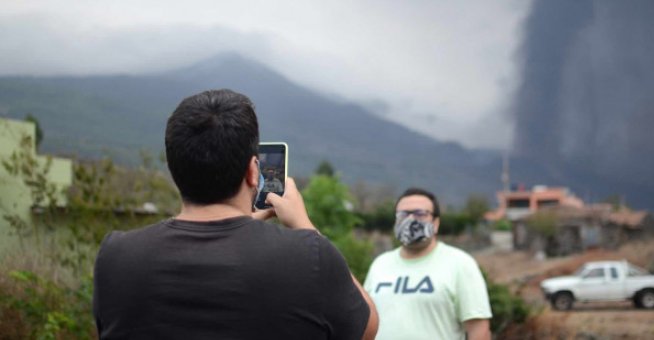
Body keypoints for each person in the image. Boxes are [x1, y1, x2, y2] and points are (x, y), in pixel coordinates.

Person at [93, 89, 378, 339]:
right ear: (254, 172)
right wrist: (303, 225)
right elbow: (367, 328)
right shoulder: (309, 256)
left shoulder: (116, 256)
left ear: (173, 167)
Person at [364, 188, 491, 340]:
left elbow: (478, 329)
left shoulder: (460, 263)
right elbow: (365, 321)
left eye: (420, 214)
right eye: (403, 214)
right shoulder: (380, 264)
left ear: (436, 223)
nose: (410, 219)